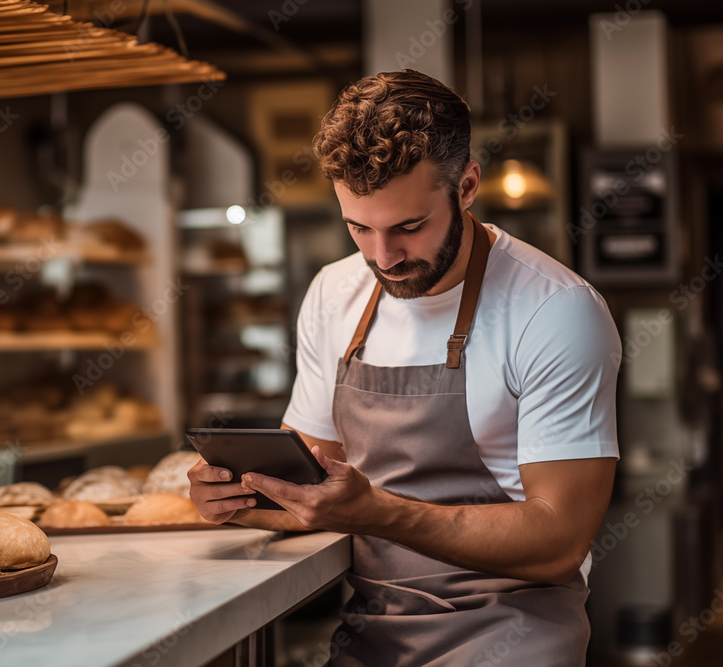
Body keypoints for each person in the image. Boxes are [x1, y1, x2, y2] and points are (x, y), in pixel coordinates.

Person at [188, 69, 620, 666]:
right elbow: (313, 481)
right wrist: (240, 497)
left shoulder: (555, 310)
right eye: (358, 228)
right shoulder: (332, 292)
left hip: (512, 632)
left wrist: (376, 513)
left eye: (409, 227)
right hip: (370, 631)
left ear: (467, 186)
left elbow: (559, 542)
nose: (382, 257)